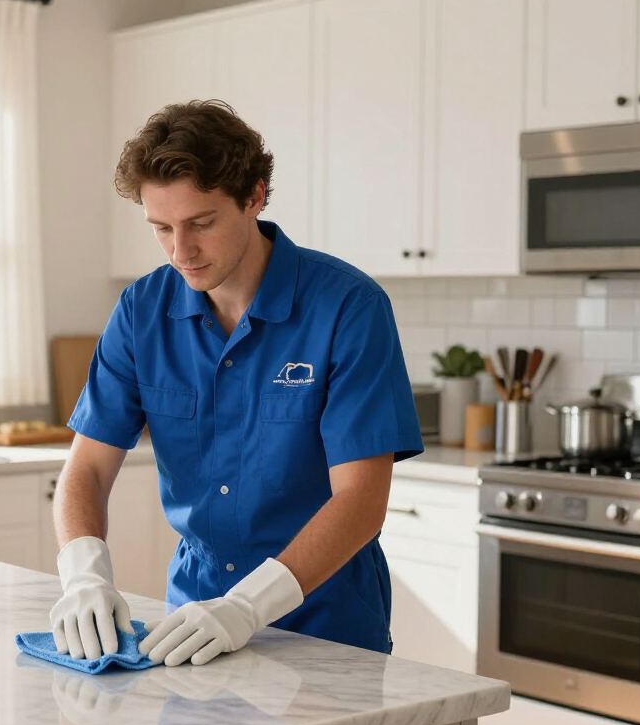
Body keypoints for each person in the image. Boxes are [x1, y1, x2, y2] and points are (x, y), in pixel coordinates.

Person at [50, 100, 423, 667]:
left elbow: (361, 500)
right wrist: (83, 575)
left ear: (254, 196)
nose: (181, 251)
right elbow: (86, 469)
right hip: (193, 630)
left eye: (200, 223)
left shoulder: (348, 307)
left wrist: (247, 606)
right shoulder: (141, 311)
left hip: (327, 631)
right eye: (161, 229)